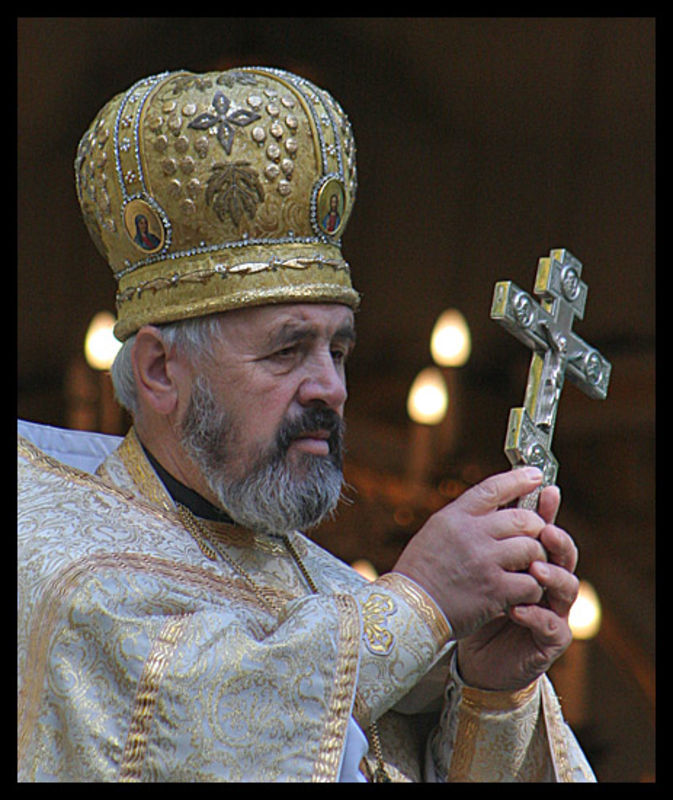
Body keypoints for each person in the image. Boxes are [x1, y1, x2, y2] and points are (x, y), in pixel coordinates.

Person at [18, 67, 596, 783]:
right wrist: (419, 602)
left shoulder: (335, 593)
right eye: (287, 351)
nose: (331, 387)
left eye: (338, 350)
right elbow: (194, 729)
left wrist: (489, 693)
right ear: (161, 370)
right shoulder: (60, 566)